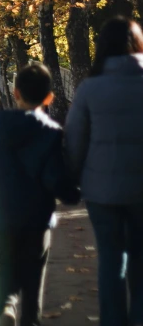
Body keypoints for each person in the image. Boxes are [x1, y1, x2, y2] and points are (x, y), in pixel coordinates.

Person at [0, 63, 79, 326]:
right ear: (49, 98)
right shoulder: (51, 134)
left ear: (15, 92)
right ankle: (29, 318)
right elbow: (55, 176)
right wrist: (71, 195)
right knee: (34, 273)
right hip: (37, 217)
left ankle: (7, 307)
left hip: (5, 214)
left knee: (6, 267)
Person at [65, 16, 143, 326]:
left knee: (111, 261)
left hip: (102, 192)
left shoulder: (89, 88)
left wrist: (71, 181)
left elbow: (74, 141)